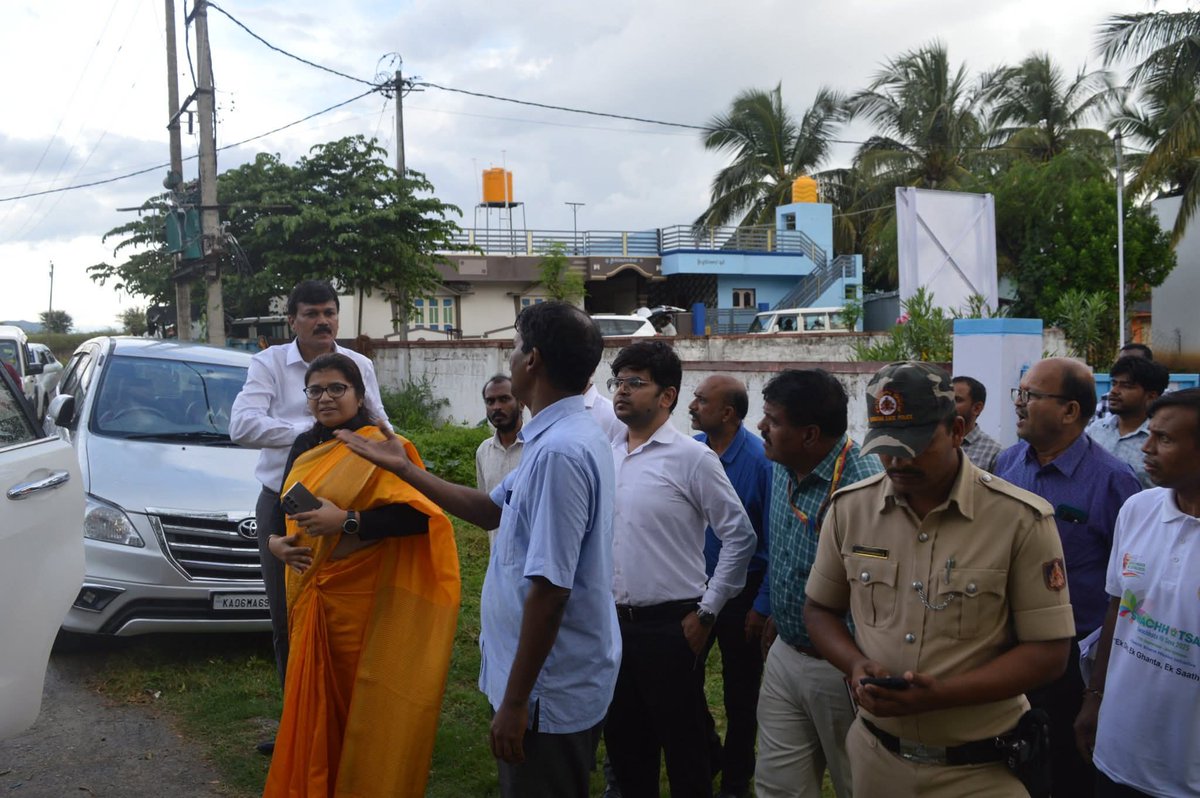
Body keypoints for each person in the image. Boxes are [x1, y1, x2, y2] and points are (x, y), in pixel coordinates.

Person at [336, 301, 619, 798]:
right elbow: (490, 510)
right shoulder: (554, 437)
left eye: (515, 345)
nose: (510, 356)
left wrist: (516, 702)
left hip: (544, 693)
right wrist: (403, 468)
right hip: (541, 683)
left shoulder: (560, 452)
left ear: (533, 360)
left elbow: (551, 591)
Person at [804, 360, 1076, 797]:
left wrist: (942, 694)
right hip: (878, 760)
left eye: (915, 445)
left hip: (982, 770)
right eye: (886, 447)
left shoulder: (1020, 520)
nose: (898, 461)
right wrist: (854, 664)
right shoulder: (851, 509)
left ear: (957, 430)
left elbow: (1049, 652)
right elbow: (820, 609)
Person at [262, 353, 459, 798]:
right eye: (315, 390)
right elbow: (279, 504)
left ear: (359, 394)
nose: (325, 398)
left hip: (360, 598)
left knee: (356, 698)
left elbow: (418, 517)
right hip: (310, 591)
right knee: (313, 696)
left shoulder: (385, 445)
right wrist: (275, 543)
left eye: (337, 388)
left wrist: (347, 521)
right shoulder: (304, 445)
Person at [229, 280, 388, 739]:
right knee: (290, 614)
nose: (323, 321)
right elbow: (242, 425)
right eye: (312, 313)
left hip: (348, 499)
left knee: (346, 612)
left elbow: (379, 421)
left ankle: (348, 723)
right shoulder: (269, 363)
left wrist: (400, 460)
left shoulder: (358, 364)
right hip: (285, 501)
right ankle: (297, 727)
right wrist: (316, 429)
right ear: (292, 320)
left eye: (329, 312)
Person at [604, 340, 756, 798]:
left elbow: (739, 536)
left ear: (667, 395)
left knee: (685, 752)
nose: (622, 391)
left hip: (672, 626)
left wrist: (708, 611)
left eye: (635, 382)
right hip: (613, 626)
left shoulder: (692, 457)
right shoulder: (607, 452)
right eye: (618, 381)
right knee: (627, 750)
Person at [995, 357, 1142, 798]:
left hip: (1073, 665)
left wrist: (1098, 689)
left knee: (1067, 776)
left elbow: (1130, 588)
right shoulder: (1007, 464)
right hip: (1006, 648)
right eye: (1019, 393)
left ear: (1070, 410)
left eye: (1031, 395)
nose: (1019, 404)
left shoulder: (1114, 481)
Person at [754, 369, 882, 798]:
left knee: (857, 782)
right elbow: (785, 550)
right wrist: (778, 610)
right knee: (777, 785)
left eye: (773, 420)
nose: (761, 426)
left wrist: (855, 665)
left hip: (844, 668)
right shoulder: (781, 464)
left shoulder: (864, 486)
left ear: (809, 434)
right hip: (786, 652)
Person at [1074, 388, 1200, 798]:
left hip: (1186, 773)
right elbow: (1118, 609)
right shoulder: (1138, 509)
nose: (1146, 447)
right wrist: (1095, 697)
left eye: (1164, 439)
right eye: (1150, 434)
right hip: (1117, 755)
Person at [687, 375, 773, 798]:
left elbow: (773, 540)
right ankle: (710, 754)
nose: (692, 405)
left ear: (728, 413)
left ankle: (737, 780)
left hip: (744, 592)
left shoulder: (760, 462)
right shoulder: (692, 451)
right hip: (695, 586)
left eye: (701, 400)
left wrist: (762, 604)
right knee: (682, 678)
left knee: (741, 693)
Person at [1086, 355, 1170, 488]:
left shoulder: (1161, 439)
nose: (1114, 391)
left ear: (1151, 396)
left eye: (1126, 386)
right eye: (1114, 384)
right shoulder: (1096, 430)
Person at [475, 374, 524, 545]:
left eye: (504, 399)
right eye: (490, 401)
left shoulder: (538, 448)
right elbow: (485, 507)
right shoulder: (483, 451)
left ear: (521, 403)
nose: (496, 407)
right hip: (497, 555)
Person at [952, 375, 1001, 473]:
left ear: (977, 408)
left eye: (957, 400)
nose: (948, 404)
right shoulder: (934, 441)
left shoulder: (993, 452)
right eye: (947, 399)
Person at [1093, 343, 1153, 421]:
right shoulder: (1106, 400)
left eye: (1132, 362)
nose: (1124, 366)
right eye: (1121, 362)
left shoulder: (1164, 402)